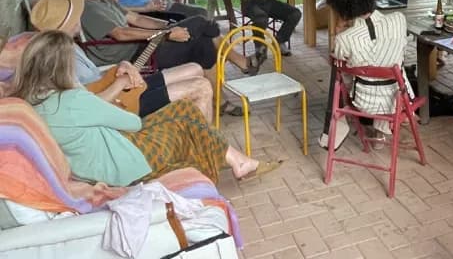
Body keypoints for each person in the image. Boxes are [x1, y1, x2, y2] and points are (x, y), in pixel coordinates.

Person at [12, 31, 281, 185]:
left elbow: (89, 110)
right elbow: (133, 123)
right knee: (186, 114)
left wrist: (116, 83)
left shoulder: (34, 100)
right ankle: (230, 160)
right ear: (63, 68)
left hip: (100, 160)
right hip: (126, 164)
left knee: (185, 112)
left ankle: (236, 160)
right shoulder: (70, 100)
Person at [75, 0, 259, 99]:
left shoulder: (104, 1)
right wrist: (167, 34)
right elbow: (120, 33)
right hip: (133, 59)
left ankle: (219, 101)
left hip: (144, 47)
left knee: (204, 42)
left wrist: (166, 26)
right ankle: (241, 62)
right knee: (201, 23)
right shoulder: (87, 8)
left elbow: (136, 19)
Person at [31, 0, 215, 122]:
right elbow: (88, 104)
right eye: (77, 15)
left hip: (121, 87)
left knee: (195, 68)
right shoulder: (59, 58)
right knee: (201, 86)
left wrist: (122, 67)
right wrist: (120, 82)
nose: (81, 17)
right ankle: (208, 148)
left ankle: (199, 135)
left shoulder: (68, 44)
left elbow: (94, 80)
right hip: (120, 104)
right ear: (69, 23)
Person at [318, 0, 412, 149]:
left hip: (363, 102)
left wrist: (339, 32)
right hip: (397, 99)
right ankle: (382, 128)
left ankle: (338, 125)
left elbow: (334, 62)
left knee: (343, 72)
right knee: (393, 62)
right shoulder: (399, 20)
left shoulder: (346, 39)